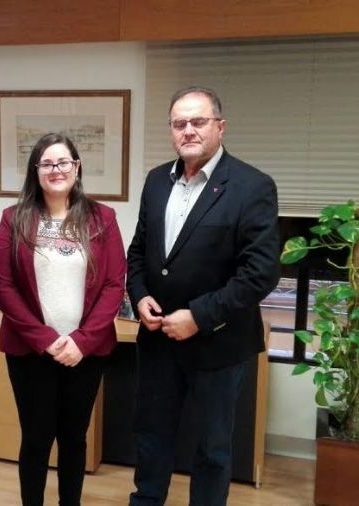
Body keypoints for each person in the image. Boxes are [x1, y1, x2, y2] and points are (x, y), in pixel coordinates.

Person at [126, 86, 280, 505]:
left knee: (212, 449)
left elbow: (260, 274)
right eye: (179, 123)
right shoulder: (156, 181)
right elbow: (139, 252)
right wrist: (139, 295)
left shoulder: (252, 186)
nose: (188, 130)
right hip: (158, 341)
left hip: (219, 344)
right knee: (150, 437)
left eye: (198, 121)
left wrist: (198, 316)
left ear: (220, 126)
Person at [0, 132, 126, 506]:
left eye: (63, 162)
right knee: (36, 440)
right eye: (47, 163)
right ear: (35, 171)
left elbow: (114, 285)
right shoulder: (13, 219)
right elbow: (3, 285)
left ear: (76, 167)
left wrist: (81, 341)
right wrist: (46, 339)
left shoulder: (102, 219)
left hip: (85, 353)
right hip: (30, 351)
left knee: (74, 438)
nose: (56, 169)